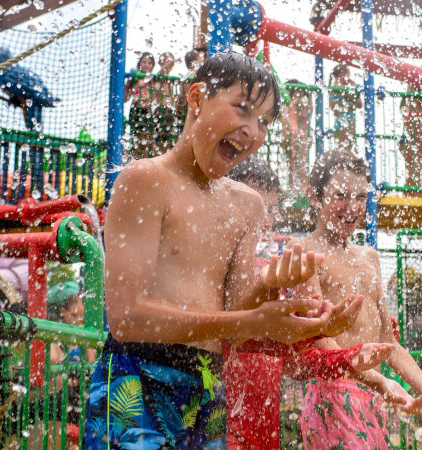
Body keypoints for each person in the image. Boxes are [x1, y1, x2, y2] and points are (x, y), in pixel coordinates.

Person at [84, 52, 346, 449]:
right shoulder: (145, 180)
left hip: (207, 381)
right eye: (241, 108)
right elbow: (126, 317)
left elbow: (239, 314)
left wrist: (278, 292)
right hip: (136, 373)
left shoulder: (247, 205)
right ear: (196, 98)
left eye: (263, 122)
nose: (251, 130)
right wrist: (255, 319)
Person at [292, 151, 422, 449]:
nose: (353, 206)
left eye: (361, 196)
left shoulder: (369, 257)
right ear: (314, 196)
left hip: (373, 397)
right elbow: (321, 341)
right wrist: (378, 381)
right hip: (332, 395)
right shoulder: (305, 252)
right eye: (340, 195)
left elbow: (389, 345)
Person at [223, 158, 395, 449]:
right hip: (215, 411)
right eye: (255, 207)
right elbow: (232, 335)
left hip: (261, 422)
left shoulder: (271, 270)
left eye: (270, 209)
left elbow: (290, 357)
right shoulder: (214, 271)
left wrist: (322, 334)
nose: (264, 219)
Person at [399, 64, 422, 190]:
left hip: (417, 132)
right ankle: (412, 190)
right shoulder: (412, 97)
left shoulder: (420, 98)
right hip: (413, 133)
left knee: (417, 163)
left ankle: (414, 189)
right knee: (414, 163)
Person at [282, 79, 313, 191]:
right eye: (298, 92)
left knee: (303, 163)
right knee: (292, 163)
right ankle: (294, 188)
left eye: (303, 93)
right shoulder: (289, 105)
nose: (301, 96)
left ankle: (303, 189)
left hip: (302, 135)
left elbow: (311, 110)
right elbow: (286, 119)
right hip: (292, 135)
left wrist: (309, 96)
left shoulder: (303, 106)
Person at [126, 52, 156, 159]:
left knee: (147, 139)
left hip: (147, 110)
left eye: (149, 63)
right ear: (139, 63)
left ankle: (145, 159)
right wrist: (135, 87)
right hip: (136, 109)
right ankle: (135, 158)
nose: (146, 65)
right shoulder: (135, 78)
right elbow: (126, 98)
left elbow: (155, 98)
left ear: (152, 66)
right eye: (144, 62)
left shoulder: (153, 79)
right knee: (136, 138)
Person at [329, 65, 362, 151]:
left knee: (346, 150)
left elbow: (360, 105)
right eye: (348, 75)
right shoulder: (337, 87)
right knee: (343, 150)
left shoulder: (344, 87)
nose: (349, 78)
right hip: (342, 122)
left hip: (348, 120)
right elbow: (355, 100)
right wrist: (354, 86)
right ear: (341, 74)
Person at [153, 52, 180, 153]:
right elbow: (161, 71)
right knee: (160, 141)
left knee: (169, 141)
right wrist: (172, 61)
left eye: (170, 61)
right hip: (161, 109)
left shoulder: (170, 78)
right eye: (166, 61)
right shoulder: (159, 76)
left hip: (169, 111)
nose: (169, 64)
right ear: (160, 62)